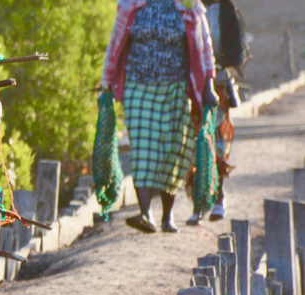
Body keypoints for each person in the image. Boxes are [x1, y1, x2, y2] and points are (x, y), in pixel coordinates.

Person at [102, 0, 218, 233]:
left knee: (172, 152)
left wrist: (209, 85)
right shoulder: (132, 5)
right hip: (138, 88)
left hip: (175, 88)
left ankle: (167, 216)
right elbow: (115, 43)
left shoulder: (188, 6)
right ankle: (146, 213)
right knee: (143, 150)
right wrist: (106, 83)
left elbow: (205, 47)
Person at [188, 0, 249, 225]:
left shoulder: (226, 10)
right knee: (195, 142)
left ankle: (218, 196)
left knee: (218, 142)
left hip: (220, 85)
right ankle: (199, 199)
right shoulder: (187, 8)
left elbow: (236, 53)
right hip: (192, 85)